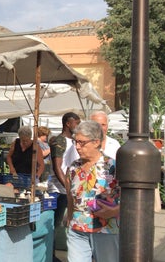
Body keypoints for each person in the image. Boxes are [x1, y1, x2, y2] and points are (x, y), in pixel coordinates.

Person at [65, 121, 120, 262]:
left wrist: (116, 211)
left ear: (96, 142)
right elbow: (70, 196)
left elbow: (130, 198)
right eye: (75, 142)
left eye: (82, 143)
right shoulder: (73, 168)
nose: (77, 147)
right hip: (77, 229)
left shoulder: (113, 166)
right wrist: (70, 219)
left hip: (106, 229)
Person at [48, 112, 80, 260]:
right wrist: (67, 188)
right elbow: (57, 166)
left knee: (62, 225)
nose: (78, 126)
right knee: (55, 225)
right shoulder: (60, 140)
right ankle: (52, 256)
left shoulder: (73, 141)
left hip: (68, 190)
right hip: (59, 191)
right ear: (68, 123)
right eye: (76, 123)